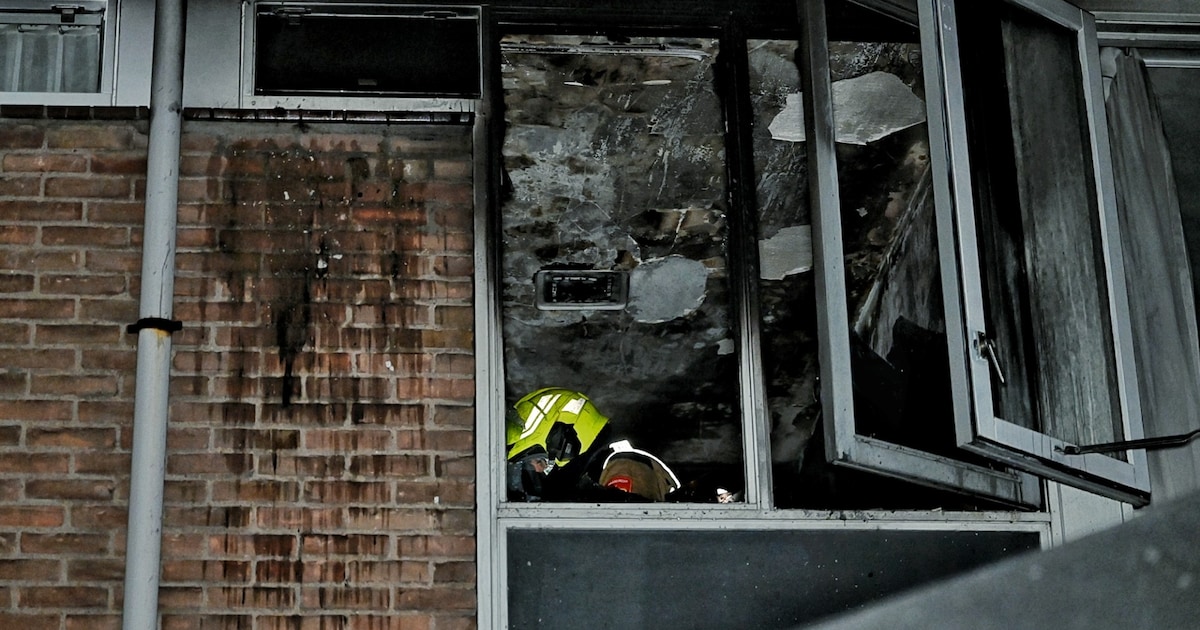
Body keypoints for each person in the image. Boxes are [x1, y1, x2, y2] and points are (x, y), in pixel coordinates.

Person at [505, 387, 681, 502]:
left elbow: (627, 528)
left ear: (566, 443)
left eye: (540, 461)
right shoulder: (598, 467)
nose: (538, 470)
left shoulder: (625, 464)